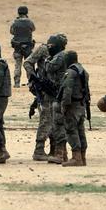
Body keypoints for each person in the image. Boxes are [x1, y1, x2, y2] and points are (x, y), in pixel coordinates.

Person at [24, 36, 58, 161]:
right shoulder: (43, 49)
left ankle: (54, 149)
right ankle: (39, 149)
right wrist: (34, 78)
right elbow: (27, 62)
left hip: (54, 90)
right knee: (46, 119)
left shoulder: (59, 53)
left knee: (56, 119)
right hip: (44, 90)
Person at [58, 51, 90, 166]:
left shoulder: (70, 72)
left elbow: (67, 90)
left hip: (73, 105)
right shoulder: (83, 71)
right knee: (81, 131)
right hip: (81, 105)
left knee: (71, 130)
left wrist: (64, 105)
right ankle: (82, 157)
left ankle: (76, 158)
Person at [43, 36, 72, 164]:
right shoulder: (59, 56)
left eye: (50, 46)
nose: (49, 49)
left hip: (60, 94)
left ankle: (60, 155)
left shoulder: (59, 57)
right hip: (57, 93)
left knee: (58, 124)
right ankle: (62, 154)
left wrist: (46, 60)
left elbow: (49, 68)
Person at [9, 5, 35, 88]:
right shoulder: (29, 22)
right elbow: (33, 29)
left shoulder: (15, 22)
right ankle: (31, 82)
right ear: (26, 12)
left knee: (17, 65)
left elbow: (12, 32)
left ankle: (17, 83)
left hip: (17, 47)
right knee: (29, 65)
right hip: (28, 46)